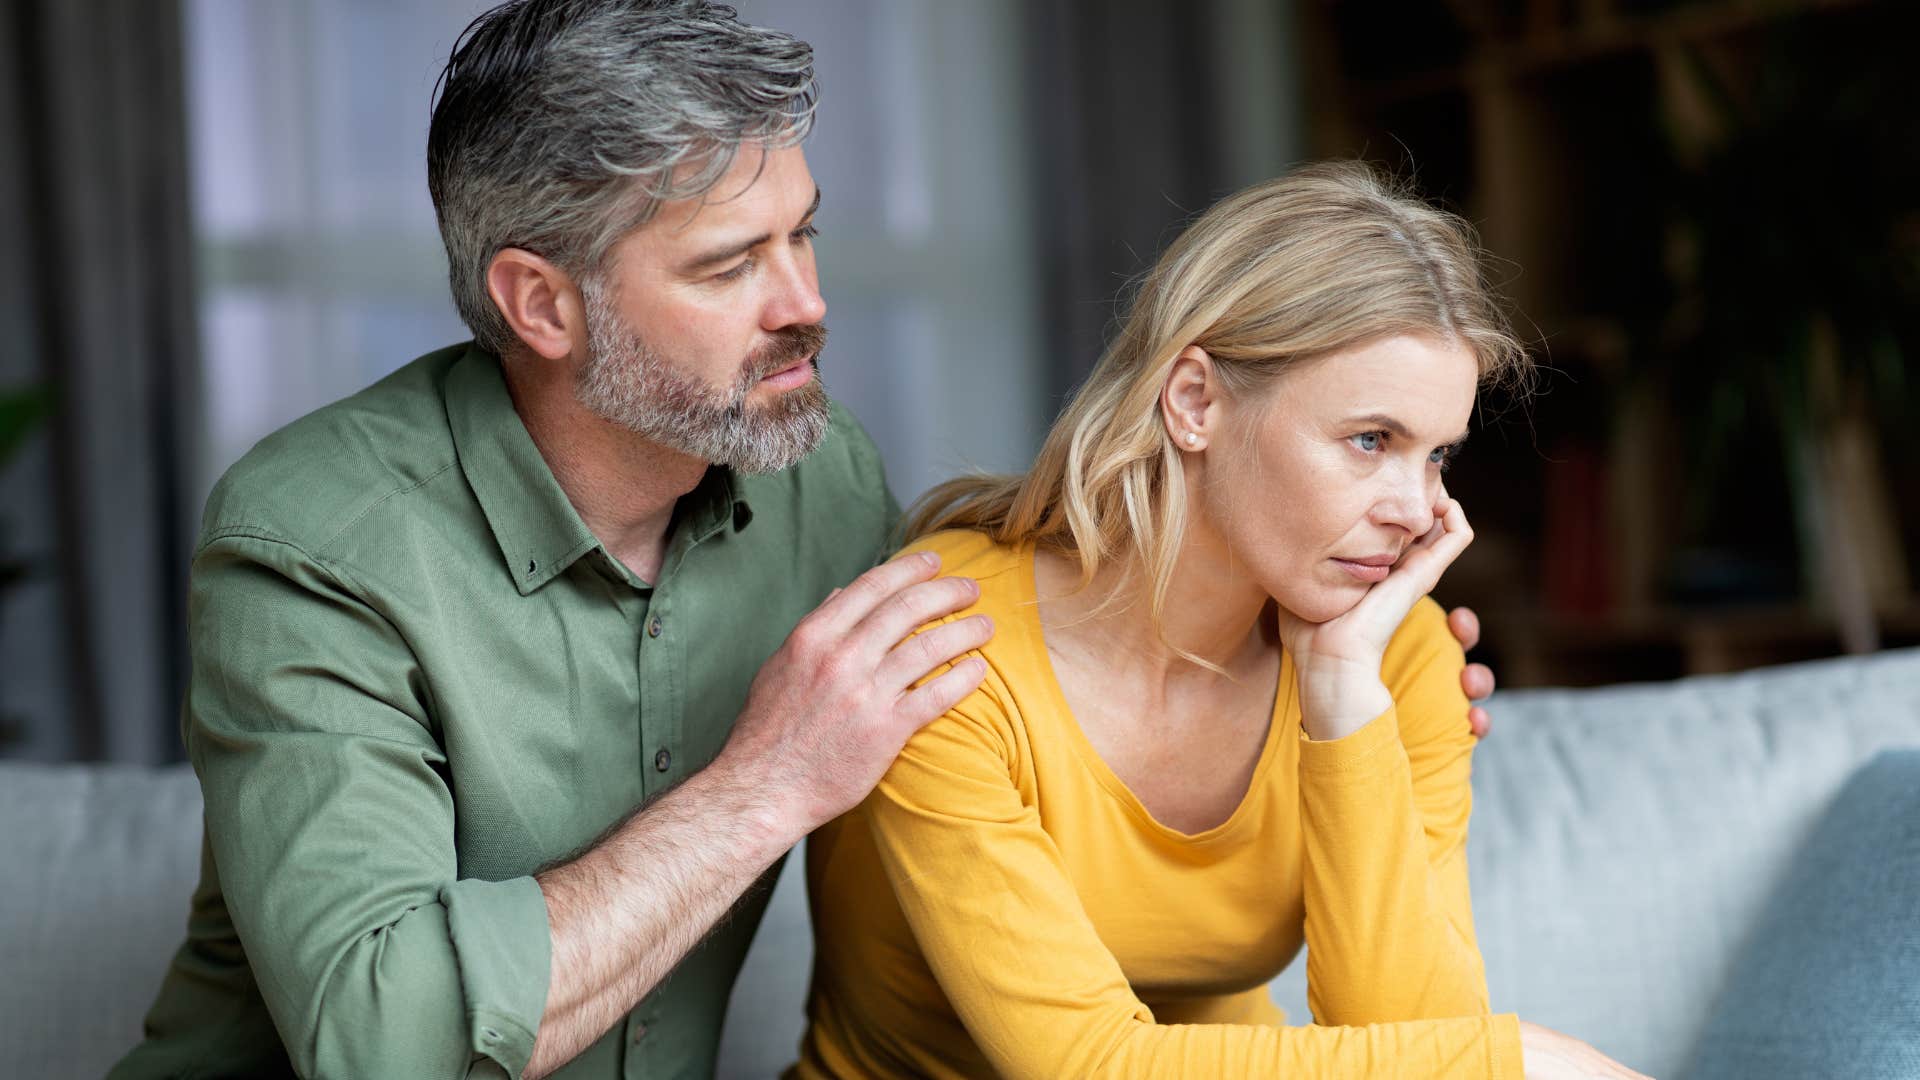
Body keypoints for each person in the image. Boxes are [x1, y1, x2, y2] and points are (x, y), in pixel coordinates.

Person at [110, 3, 1497, 1077]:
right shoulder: (314, 541)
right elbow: (384, 1042)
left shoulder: (822, 486)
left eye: (806, 237)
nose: (808, 305)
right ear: (541, 303)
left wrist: (1348, 702)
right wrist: (765, 786)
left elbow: (1037, 700)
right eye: (730, 265)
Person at [794, 163, 1648, 1079]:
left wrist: (1344, 700)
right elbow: (1081, 1066)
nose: (1420, 509)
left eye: (1438, 454)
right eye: (1371, 441)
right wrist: (1515, 1061)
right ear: (1195, 401)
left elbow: (1410, 1033)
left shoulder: (1394, 652)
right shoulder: (945, 646)